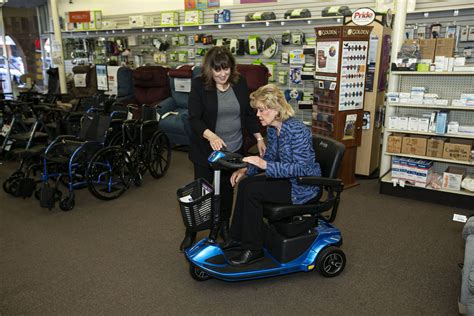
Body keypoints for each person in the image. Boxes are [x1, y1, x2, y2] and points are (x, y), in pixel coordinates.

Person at [223, 83, 322, 266]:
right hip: (286, 180)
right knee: (245, 184)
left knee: (253, 192)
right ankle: (237, 238)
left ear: (276, 108)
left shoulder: (297, 131)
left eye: (261, 110)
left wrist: (265, 164)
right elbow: (268, 158)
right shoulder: (272, 129)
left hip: (302, 186)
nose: (258, 115)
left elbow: (302, 168)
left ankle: (254, 248)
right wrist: (246, 169)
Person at [182, 46, 266, 251]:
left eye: (226, 68)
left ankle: (224, 227)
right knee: (202, 193)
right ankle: (192, 232)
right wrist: (211, 136)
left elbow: (247, 113)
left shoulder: (239, 83)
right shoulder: (199, 85)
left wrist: (259, 137)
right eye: (217, 70)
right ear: (209, 70)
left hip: (233, 150)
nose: (222, 74)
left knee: (228, 190)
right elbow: (194, 118)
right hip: (206, 151)